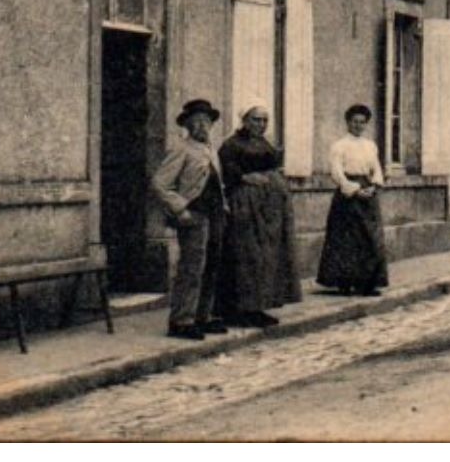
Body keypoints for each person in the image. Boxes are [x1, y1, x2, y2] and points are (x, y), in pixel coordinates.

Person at [216, 105, 301, 328]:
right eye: (255, 120)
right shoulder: (231, 145)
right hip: (244, 205)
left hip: (268, 209)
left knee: (266, 257)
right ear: (244, 120)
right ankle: (239, 309)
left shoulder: (265, 143)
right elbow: (227, 172)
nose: (260, 125)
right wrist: (245, 178)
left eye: (264, 120)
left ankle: (258, 307)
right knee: (247, 255)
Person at [152, 98, 229, 340]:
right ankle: (181, 320)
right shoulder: (181, 149)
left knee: (212, 266)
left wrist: (224, 206)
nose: (202, 127)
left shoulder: (211, 150)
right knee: (192, 268)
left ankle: (202, 316)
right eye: (196, 122)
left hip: (215, 215)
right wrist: (180, 209)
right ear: (187, 126)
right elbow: (159, 184)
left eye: (206, 122)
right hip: (194, 216)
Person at [317, 104, 389, 296]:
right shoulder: (339, 146)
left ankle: (367, 284)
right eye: (354, 121)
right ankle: (344, 283)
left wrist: (374, 186)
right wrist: (354, 190)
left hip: (368, 194)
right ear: (348, 122)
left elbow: (377, 169)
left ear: (366, 124)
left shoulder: (370, 145)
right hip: (347, 196)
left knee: (370, 238)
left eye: (362, 122)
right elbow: (337, 172)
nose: (358, 125)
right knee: (347, 239)